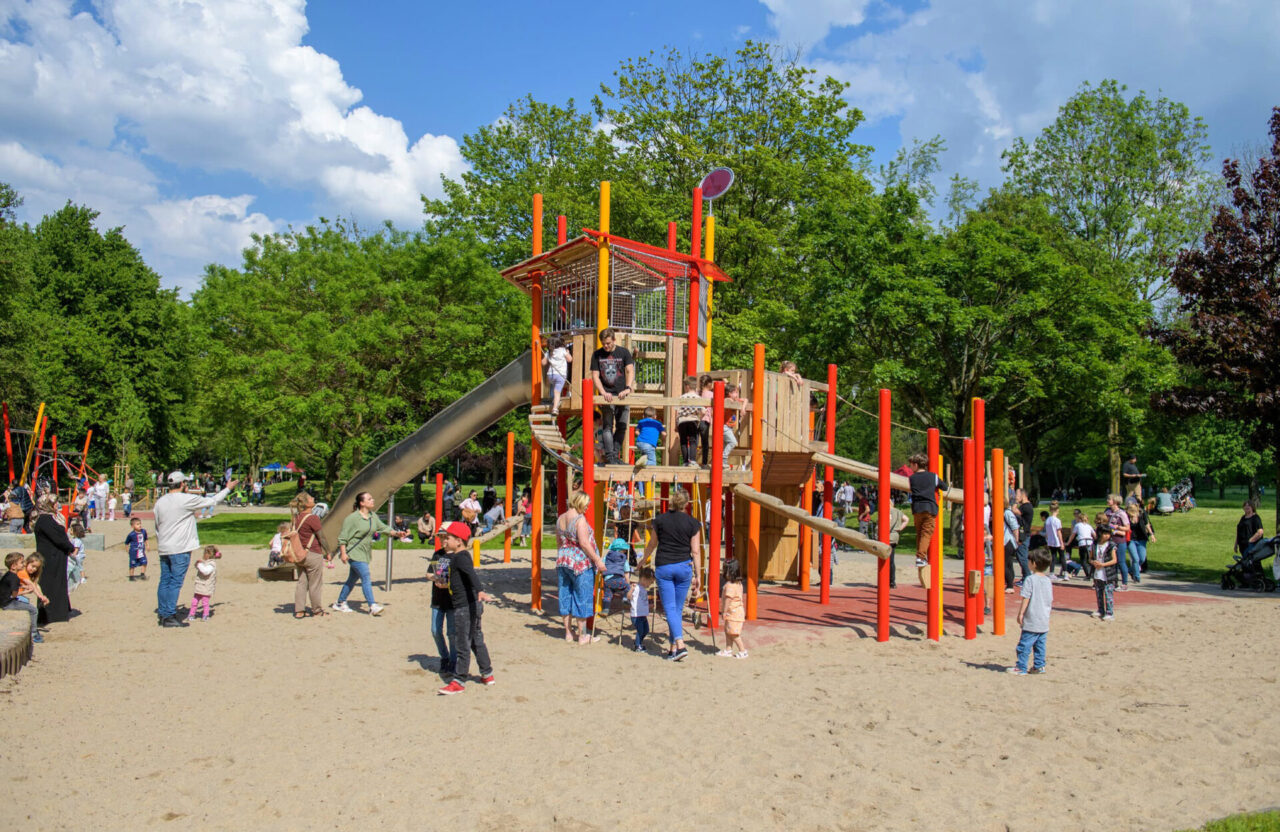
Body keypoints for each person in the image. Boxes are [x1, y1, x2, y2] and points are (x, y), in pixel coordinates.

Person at [153, 472, 234, 628]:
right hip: (180, 547)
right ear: (183, 484)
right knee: (175, 582)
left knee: (165, 580)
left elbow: (157, 525)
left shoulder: (160, 502)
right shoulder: (185, 499)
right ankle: (169, 615)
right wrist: (227, 489)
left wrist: (160, 541)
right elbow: (213, 500)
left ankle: (163, 613)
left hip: (164, 546)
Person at [434, 521, 496, 695]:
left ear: (459, 541)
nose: (445, 541)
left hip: (464, 607)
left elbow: (471, 574)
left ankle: (459, 680)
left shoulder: (461, 557)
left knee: (463, 642)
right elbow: (452, 579)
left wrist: (480, 590)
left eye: (449, 538)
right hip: (471, 605)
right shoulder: (455, 557)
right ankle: (487, 673)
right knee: (476, 639)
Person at [644, 486, 702, 662]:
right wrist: (698, 575)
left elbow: (652, 544)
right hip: (684, 566)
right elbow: (696, 551)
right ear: (686, 504)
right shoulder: (693, 523)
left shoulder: (660, 520)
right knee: (676, 609)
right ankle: (672, 649)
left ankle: (679, 643)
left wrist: (643, 559)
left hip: (665, 566)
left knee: (670, 608)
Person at [333, 491, 409, 616]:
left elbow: (383, 528)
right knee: (366, 576)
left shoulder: (373, 516)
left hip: (365, 553)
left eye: (372, 498)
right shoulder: (352, 518)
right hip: (354, 553)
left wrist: (397, 533)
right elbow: (343, 537)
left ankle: (340, 602)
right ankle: (372, 605)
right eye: (369, 499)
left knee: (352, 579)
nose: (372, 500)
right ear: (362, 503)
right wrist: (343, 553)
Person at [555, 490, 606, 644]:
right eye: (586, 505)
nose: (587, 508)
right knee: (582, 596)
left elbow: (559, 542)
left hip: (563, 560)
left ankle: (568, 632)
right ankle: (582, 635)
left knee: (565, 595)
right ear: (580, 502)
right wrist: (597, 559)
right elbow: (584, 543)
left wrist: (562, 555)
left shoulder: (560, 519)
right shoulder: (579, 519)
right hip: (580, 563)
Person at [589, 328, 636, 465]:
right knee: (607, 426)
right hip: (607, 395)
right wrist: (603, 392)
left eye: (608, 343)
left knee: (622, 426)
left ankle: (614, 455)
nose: (606, 346)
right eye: (604, 344)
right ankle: (610, 456)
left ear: (614, 340)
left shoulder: (623, 352)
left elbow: (629, 370)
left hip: (622, 394)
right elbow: (595, 376)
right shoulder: (597, 355)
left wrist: (628, 388)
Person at [1009, 548, 1053, 675]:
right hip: (1044, 618)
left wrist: (1021, 613)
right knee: (1040, 645)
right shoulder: (1047, 580)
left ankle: (1021, 666)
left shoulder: (1030, 579)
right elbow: (1050, 599)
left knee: (1024, 644)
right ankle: (1039, 666)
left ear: (1034, 563)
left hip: (1032, 618)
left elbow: (1026, 598)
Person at [906, 453, 948, 588]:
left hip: (917, 508)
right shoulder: (933, 476)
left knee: (920, 532)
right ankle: (921, 557)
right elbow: (945, 487)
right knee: (927, 533)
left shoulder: (912, 478)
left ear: (916, 465)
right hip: (929, 507)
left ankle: (920, 556)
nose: (910, 467)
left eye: (911, 464)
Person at [33, 494, 74, 625]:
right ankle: (53, 613)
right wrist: (70, 547)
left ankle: (59, 610)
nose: (57, 506)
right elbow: (58, 538)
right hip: (51, 558)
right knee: (52, 584)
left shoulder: (46, 519)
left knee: (56, 583)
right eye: (54, 503)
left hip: (54, 556)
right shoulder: (46, 520)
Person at [289, 492, 327, 618]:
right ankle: (317, 610)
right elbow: (321, 537)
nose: (313, 498)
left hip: (299, 554)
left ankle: (299, 610)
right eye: (311, 498)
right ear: (306, 503)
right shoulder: (313, 518)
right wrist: (328, 551)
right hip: (313, 553)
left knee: (301, 582)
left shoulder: (296, 517)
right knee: (315, 584)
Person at [2, 552, 39, 647]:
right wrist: (27, 591)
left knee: (25, 601)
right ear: (14, 566)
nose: (24, 564)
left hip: (3, 600)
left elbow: (12, 586)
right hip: (8, 603)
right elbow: (14, 595)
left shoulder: (8, 575)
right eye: (22, 563)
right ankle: (34, 633)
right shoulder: (15, 578)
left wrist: (25, 586)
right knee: (33, 610)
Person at [716, 558, 748, 659]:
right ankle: (728, 649)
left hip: (733, 612)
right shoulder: (738, 583)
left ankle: (743, 650)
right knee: (728, 631)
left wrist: (723, 611)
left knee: (734, 633)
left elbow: (728, 600)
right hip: (736, 611)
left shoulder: (730, 586)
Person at [1104, 494, 1135, 588]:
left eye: (1109, 499)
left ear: (1115, 501)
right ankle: (1113, 582)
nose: (1108, 500)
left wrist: (1117, 528)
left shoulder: (1121, 513)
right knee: (1111, 562)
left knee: (1121, 561)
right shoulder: (1107, 511)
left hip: (1119, 540)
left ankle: (1124, 583)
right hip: (1109, 540)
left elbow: (1127, 528)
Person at [186, 545, 220, 622]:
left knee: (205, 602)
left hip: (206, 586)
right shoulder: (205, 562)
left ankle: (205, 615)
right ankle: (191, 614)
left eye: (205, 553)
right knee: (194, 601)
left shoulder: (212, 564)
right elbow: (199, 567)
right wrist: (197, 563)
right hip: (199, 585)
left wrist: (199, 565)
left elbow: (205, 572)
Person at [1091, 526, 1119, 621]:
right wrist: (1093, 562)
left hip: (1108, 573)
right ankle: (1100, 610)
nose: (1107, 536)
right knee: (1099, 592)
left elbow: (1114, 560)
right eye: (1105, 534)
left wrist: (1102, 564)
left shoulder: (1111, 545)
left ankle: (1110, 613)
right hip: (1097, 572)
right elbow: (1090, 558)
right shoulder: (1094, 544)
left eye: (1108, 534)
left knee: (1108, 593)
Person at [676, 376, 703, 467]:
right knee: (693, 440)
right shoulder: (698, 398)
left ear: (687, 386)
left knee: (683, 441)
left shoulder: (682, 397)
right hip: (693, 420)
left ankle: (685, 461)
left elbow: (677, 411)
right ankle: (692, 460)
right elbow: (702, 411)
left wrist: (677, 424)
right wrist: (699, 418)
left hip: (682, 421)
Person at [1063, 508, 1095, 580]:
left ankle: (1088, 575)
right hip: (1090, 542)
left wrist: (1068, 542)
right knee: (1089, 559)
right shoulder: (1089, 526)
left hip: (1082, 543)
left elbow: (1072, 535)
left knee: (1083, 560)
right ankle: (1092, 573)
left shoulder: (1077, 525)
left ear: (1080, 519)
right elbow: (1094, 535)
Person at [544, 334, 572, 417]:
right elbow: (570, 359)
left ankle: (554, 401)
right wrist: (568, 353)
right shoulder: (562, 350)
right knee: (557, 392)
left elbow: (543, 363)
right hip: (560, 375)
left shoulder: (549, 352)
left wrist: (547, 357)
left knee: (553, 388)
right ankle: (555, 408)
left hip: (550, 375)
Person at [628, 567, 655, 653]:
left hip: (642, 614)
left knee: (646, 630)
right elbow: (628, 597)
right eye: (650, 582)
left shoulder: (643, 590)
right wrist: (631, 590)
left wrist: (649, 606)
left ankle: (638, 642)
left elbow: (642, 602)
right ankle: (637, 646)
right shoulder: (636, 587)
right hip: (636, 615)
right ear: (643, 579)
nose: (650, 585)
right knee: (640, 630)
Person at [601, 537, 632, 607]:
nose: (625, 551)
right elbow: (626, 573)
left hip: (607, 581)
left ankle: (605, 610)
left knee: (607, 596)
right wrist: (628, 582)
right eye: (624, 550)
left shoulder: (606, 557)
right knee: (627, 588)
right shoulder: (623, 559)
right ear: (621, 550)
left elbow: (602, 566)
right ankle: (624, 599)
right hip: (618, 579)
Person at [1127, 502, 1154, 578]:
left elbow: (1147, 524)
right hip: (1131, 539)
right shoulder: (1127, 516)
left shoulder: (1142, 514)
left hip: (1141, 538)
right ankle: (1136, 576)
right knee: (1135, 558)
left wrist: (1151, 534)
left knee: (1141, 559)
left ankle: (1130, 570)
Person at [1042, 502, 1065, 579]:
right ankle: (1065, 573)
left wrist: (1047, 540)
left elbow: (1047, 532)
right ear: (1057, 510)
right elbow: (1059, 532)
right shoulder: (1057, 520)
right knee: (1062, 557)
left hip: (1051, 541)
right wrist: (1062, 543)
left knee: (1053, 557)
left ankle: (1051, 572)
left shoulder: (1048, 520)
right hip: (1057, 541)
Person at [1002, 499, 1021, 592]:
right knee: (1009, 563)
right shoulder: (1003, 513)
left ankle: (1009, 585)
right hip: (1005, 541)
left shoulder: (1007, 513)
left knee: (1004, 564)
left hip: (1007, 541)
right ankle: (1009, 584)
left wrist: (1016, 540)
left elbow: (1015, 527)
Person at [1014, 489, 1034, 580]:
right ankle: (1025, 576)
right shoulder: (1025, 506)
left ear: (1023, 495)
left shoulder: (1026, 507)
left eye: (1017, 494)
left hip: (1024, 534)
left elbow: (1014, 510)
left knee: (1022, 556)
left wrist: (1015, 502)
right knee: (1020, 555)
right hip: (1024, 534)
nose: (1016, 496)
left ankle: (1027, 577)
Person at [698, 374, 714, 465]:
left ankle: (690, 460)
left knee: (694, 441)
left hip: (696, 420)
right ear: (709, 384)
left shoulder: (697, 393)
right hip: (705, 420)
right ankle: (704, 462)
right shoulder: (711, 394)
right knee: (705, 443)